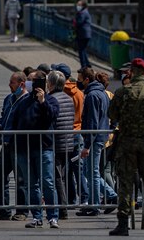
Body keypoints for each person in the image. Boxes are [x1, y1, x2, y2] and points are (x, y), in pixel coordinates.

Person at [107, 58, 144, 236]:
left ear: (132, 71)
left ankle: (123, 224)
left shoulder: (122, 92)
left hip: (127, 144)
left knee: (125, 184)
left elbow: (112, 114)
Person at [12, 70, 60, 229]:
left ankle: (53, 217)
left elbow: (51, 117)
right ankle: (37, 217)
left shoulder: (51, 100)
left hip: (44, 148)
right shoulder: (24, 101)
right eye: (30, 82)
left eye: (36, 82)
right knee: (32, 184)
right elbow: (15, 120)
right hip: (25, 148)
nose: (32, 84)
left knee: (48, 183)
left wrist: (43, 101)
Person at [0, 72, 29, 221]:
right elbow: (5, 116)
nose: (9, 85)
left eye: (12, 82)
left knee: (21, 180)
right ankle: (3, 210)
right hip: (6, 143)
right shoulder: (9, 98)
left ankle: (22, 211)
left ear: (21, 84)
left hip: (20, 144)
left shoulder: (27, 100)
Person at [78, 67, 117, 216]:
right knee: (89, 172)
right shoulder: (102, 93)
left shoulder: (92, 95)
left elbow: (93, 121)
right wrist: (110, 128)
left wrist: (87, 145)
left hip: (94, 138)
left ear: (87, 80)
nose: (79, 82)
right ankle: (108, 196)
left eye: (80, 79)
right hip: (100, 136)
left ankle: (97, 204)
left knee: (92, 172)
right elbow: (112, 116)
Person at [52, 63, 88, 208]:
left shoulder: (61, 94)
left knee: (64, 169)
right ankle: (83, 197)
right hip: (78, 131)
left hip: (66, 133)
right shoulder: (79, 92)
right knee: (77, 169)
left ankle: (73, 198)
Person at [47, 70, 75, 219]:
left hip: (55, 143)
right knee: (61, 176)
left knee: (57, 178)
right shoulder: (68, 98)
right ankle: (61, 206)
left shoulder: (51, 99)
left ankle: (62, 209)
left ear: (51, 84)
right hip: (67, 143)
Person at [74, 0, 92, 69]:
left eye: (79, 5)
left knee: (81, 50)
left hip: (82, 34)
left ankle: (84, 65)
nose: (77, 6)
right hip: (86, 34)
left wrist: (74, 22)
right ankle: (87, 64)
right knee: (83, 49)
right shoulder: (86, 12)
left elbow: (79, 22)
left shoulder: (82, 13)